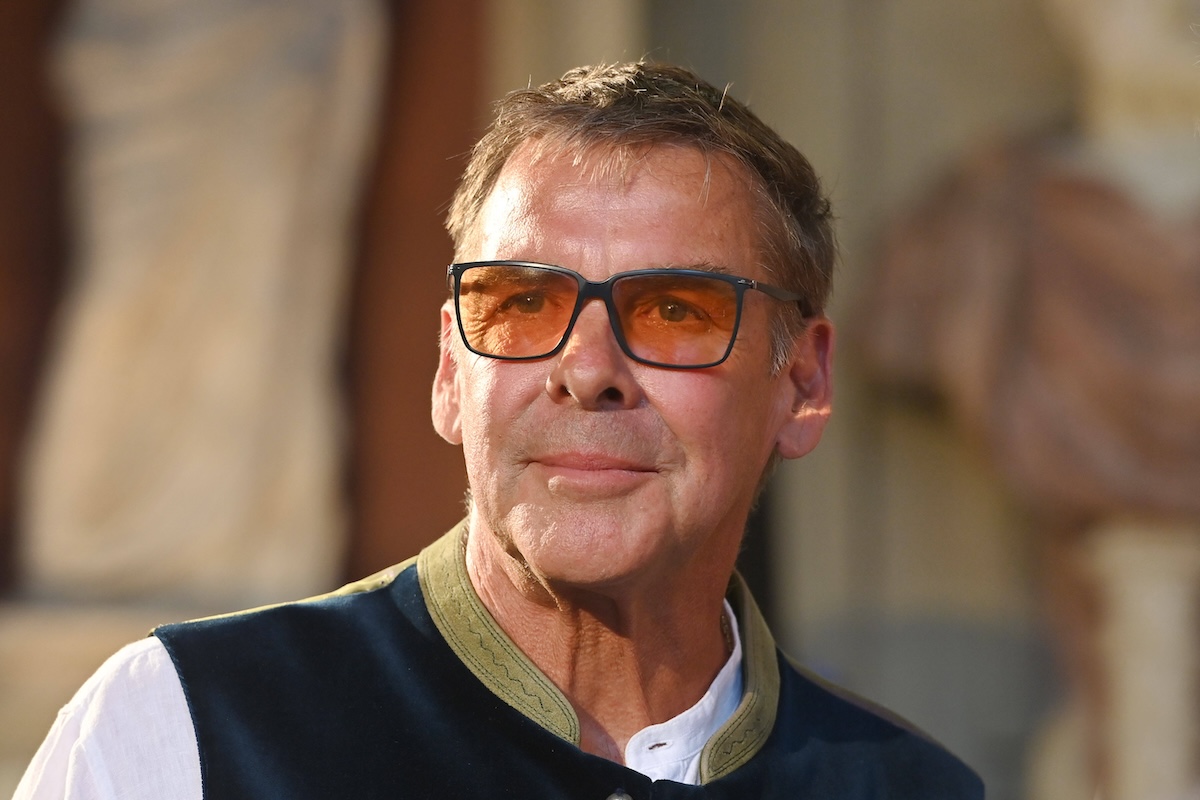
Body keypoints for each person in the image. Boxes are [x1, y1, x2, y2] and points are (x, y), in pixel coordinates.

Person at [16, 61, 983, 799]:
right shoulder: (186, 728)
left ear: (804, 383)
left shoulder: (913, 789)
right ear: (450, 370)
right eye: (522, 302)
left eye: (674, 311)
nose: (588, 371)